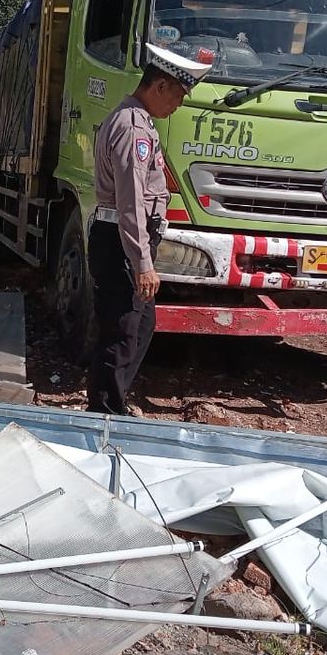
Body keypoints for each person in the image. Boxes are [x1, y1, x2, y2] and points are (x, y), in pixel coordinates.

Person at [86, 44, 211, 415]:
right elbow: (131, 202)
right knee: (122, 333)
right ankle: (104, 412)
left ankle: (114, 403)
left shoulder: (139, 123)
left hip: (129, 242)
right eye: (177, 95)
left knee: (140, 327)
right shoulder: (131, 128)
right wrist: (142, 262)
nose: (179, 105)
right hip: (121, 243)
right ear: (159, 86)